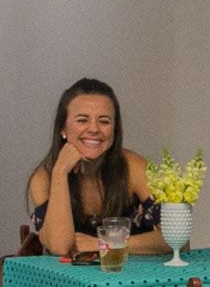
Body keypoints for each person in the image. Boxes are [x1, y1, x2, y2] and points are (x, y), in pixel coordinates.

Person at [27, 77, 166, 257]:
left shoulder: (135, 167)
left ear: (115, 130)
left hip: (132, 279)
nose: (93, 129)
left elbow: (177, 240)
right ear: (63, 128)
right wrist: (60, 171)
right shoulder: (43, 178)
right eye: (82, 120)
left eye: (104, 121)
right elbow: (59, 246)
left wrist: (104, 243)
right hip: (70, 283)